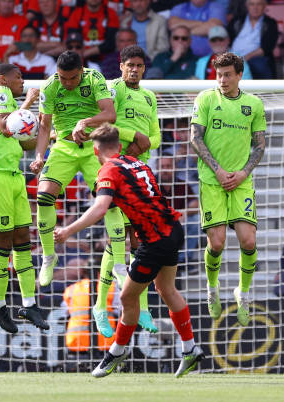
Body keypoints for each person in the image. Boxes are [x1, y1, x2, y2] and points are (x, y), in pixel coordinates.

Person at [54, 123, 204, 378]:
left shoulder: (108, 171)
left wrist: (68, 230)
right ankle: (190, 349)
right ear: (120, 146)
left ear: (95, 150)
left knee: (126, 298)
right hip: (172, 229)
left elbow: (101, 208)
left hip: (155, 240)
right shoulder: (137, 163)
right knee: (166, 289)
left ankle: (116, 352)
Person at [29, 51, 121, 291]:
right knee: (43, 195)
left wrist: (85, 122)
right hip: (64, 147)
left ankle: (119, 263)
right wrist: (39, 156)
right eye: (62, 78)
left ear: (81, 71)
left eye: (72, 78)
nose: (67, 83)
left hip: (94, 147)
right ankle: (49, 256)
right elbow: (44, 125)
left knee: (111, 202)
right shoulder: (49, 86)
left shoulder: (94, 79)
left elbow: (109, 114)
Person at [190, 52, 266, 326]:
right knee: (217, 243)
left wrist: (243, 172)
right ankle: (212, 289)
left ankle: (242, 292)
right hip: (212, 181)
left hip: (241, 181)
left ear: (239, 75)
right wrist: (219, 171)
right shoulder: (207, 98)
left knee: (248, 241)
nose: (222, 80)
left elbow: (259, 145)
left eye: (227, 74)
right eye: (218, 74)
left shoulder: (253, 104)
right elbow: (195, 138)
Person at [93, 45, 160, 339]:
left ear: (144, 68)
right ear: (120, 66)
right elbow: (107, 122)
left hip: (138, 172)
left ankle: (139, 306)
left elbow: (156, 135)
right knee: (118, 238)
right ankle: (101, 306)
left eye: (139, 65)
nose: (134, 69)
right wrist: (134, 137)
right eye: (129, 65)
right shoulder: (112, 90)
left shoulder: (149, 96)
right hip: (115, 168)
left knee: (138, 242)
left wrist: (145, 143)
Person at [0, 63, 48, 334]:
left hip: (14, 175)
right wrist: (28, 102)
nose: (23, 82)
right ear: (4, 79)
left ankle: (29, 304)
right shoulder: (0, 93)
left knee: (23, 241)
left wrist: (48, 134)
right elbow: (6, 127)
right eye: (19, 78)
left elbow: (24, 142)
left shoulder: (15, 110)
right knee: (3, 241)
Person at [228, 0, 278, 79]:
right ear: (247, 6)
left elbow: (266, 48)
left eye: (259, 4)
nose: (255, 7)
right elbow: (227, 39)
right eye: (252, 4)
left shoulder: (270, 23)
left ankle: (265, 90)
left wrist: (245, 58)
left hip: (255, 58)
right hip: (232, 56)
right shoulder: (237, 21)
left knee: (260, 65)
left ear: (264, 6)